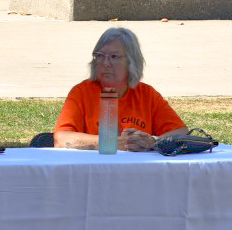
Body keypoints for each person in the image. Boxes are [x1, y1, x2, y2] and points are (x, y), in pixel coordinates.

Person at [54, 27, 187, 151]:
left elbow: (182, 133)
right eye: (100, 56)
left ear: (131, 62)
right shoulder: (81, 92)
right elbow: (61, 139)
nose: (106, 64)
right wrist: (115, 143)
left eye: (113, 57)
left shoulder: (147, 94)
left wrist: (152, 141)